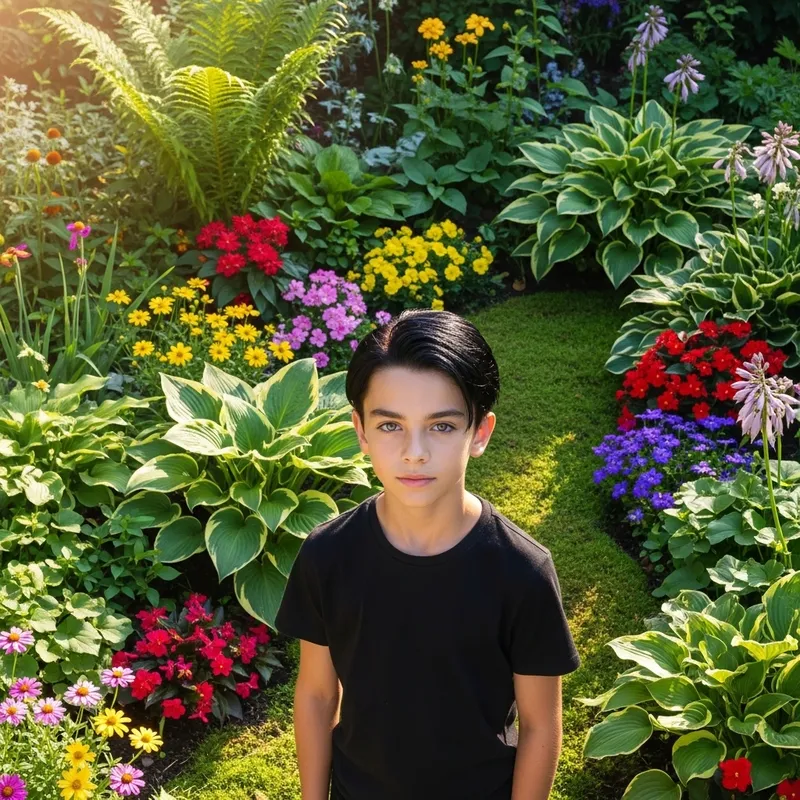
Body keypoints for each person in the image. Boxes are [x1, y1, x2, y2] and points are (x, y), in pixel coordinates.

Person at [275, 309, 581, 800]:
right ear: (361, 431)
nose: (414, 452)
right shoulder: (328, 555)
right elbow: (315, 694)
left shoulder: (521, 572)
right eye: (391, 425)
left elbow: (541, 726)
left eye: (440, 426)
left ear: (479, 432)